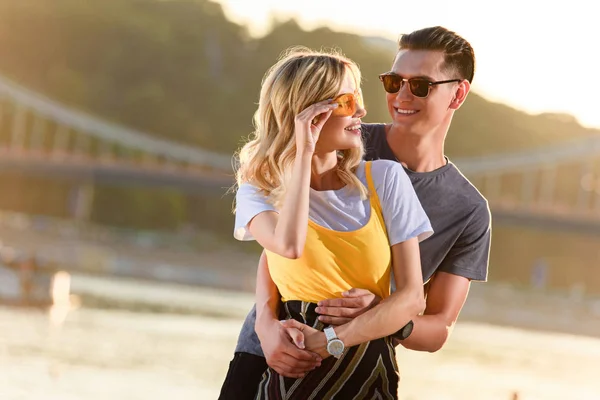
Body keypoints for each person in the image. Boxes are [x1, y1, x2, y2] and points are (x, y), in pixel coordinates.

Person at [219, 26, 492, 398]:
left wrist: (382, 316)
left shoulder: (466, 208)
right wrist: (266, 325)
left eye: (421, 86)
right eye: (394, 82)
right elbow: (278, 249)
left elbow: (438, 328)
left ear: (457, 94)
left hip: (356, 361)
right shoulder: (343, 139)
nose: (401, 96)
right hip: (271, 349)